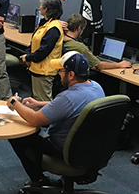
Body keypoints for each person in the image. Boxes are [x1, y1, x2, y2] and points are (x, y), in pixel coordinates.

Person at [6, 51, 105, 187]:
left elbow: (35, 119)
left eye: (61, 70)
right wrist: (39, 103)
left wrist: (13, 103)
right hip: (89, 148)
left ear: (71, 75)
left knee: (17, 134)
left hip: (64, 150)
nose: (58, 73)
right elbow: (71, 106)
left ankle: (38, 180)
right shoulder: (95, 87)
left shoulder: (68, 97)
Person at [20, 0, 64, 101]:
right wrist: (28, 55)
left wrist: (28, 57)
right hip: (36, 68)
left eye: (41, 6)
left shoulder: (53, 28)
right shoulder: (44, 23)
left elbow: (44, 51)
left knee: (43, 101)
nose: (39, 7)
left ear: (46, 9)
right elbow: (34, 42)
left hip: (45, 71)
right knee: (36, 98)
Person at [64, 13, 132, 70]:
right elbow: (99, 65)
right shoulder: (79, 47)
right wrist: (119, 65)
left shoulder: (59, 38)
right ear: (79, 28)